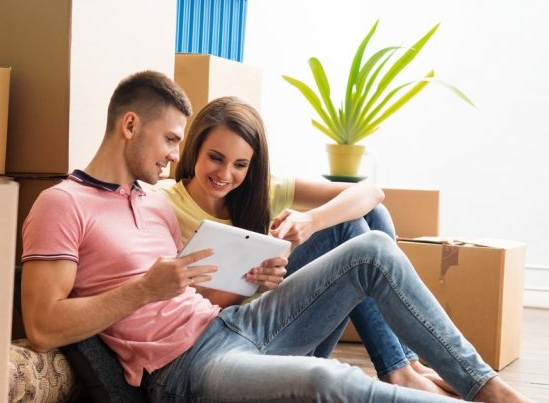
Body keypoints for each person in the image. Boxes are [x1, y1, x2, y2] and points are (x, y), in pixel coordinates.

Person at [21, 70, 531, 402]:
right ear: (130, 125)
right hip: (182, 371)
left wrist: (252, 282)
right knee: (328, 381)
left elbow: (195, 300)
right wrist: (147, 288)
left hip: (232, 324)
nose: (176, 155)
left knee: (371, 249)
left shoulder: (150, 201)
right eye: (172, 139)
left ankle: (488, 388)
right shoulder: (62, 204)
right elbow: (43, 326)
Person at [161, 96, 452, 395]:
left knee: (367, 214)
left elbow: (371, 193)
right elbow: (176, 308)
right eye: (215, 158)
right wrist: (252, 285)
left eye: (240, 164)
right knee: (347, 227)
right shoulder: (165, 205)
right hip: (235, 346)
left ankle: (404, 363)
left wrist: (311, 220)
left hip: (292, 330)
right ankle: (398, 368)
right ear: (194, 147)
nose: (224, 175)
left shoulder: (262, 191)